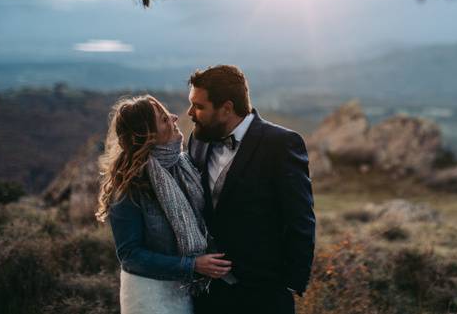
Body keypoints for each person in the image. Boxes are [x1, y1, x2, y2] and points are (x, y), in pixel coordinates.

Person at [186, 65, 315, 314]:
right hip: (208, 295)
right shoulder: (198, 141)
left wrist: (290, 285)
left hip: (263, 294)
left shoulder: (281, 143)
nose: (190, 113)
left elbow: (301, 219)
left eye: (199, 106)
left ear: (226, 108)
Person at [97, 95, 233, 314]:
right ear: (148, 137)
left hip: (187, 290)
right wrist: (192, 265)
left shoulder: (184, 165)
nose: (174, 117)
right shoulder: (130, 187)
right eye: (163, 119)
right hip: (150, 296)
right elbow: (130, 256)